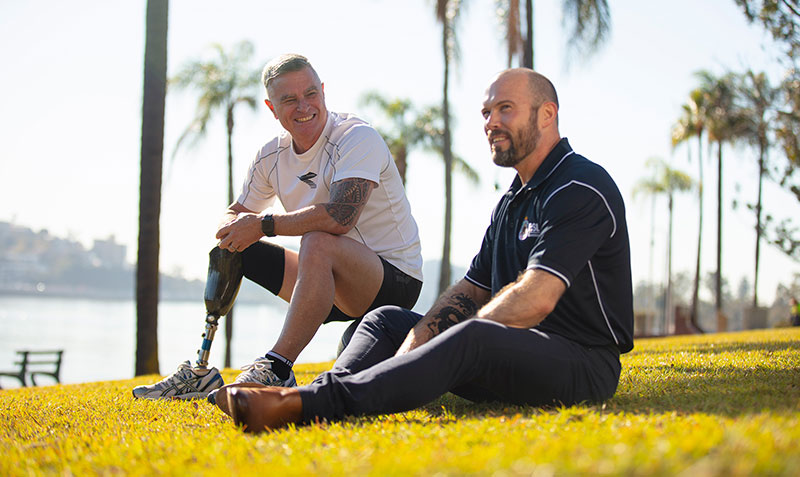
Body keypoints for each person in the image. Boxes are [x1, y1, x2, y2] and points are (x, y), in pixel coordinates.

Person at [210, 67, 635, 432]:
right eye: (486, 112)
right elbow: (469, 291)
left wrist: (449, 343)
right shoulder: (512, 201)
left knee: (474, 332)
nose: (491, 122)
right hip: (506, 357)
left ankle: (312, 403)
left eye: (506, 109)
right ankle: (332, 390)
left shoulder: (579, 186)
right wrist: (416, 347)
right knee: (386, 320)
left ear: (547, 114)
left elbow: (537, 298)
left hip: (581, 365)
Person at [133, 54, 423, 400]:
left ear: (324, 92)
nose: (304, 107)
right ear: (273, 108)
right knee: (237, 246)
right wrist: (232, 230)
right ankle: (201, 369)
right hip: (327, 282)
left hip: (394, 281)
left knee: (318, 239)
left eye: (311, 94)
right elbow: (236, 213)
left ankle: (279, 367)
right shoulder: (272, 156)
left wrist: (264, 224)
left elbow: (340, 217)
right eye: (290, 100)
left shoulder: (356, 137)